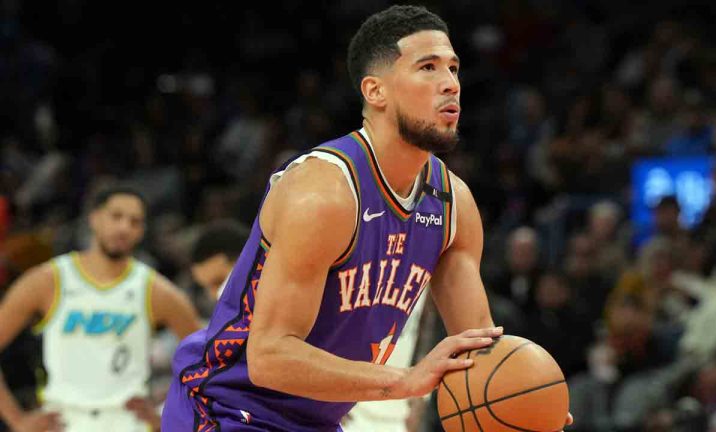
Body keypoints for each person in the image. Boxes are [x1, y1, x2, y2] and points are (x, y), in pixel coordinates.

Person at [161, 5, 572, 431]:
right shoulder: (324, 192)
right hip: (228, 407)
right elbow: (269, 356)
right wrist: (406, 380)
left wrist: (525, 401)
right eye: (428, 68)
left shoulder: (453, 204)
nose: (450, 84)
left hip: (319, 419)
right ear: (375, 91)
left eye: (453, 68)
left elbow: (478, 349)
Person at [0, 183, 201, 432]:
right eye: (116, 216)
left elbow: (208, 362)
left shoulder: (156, 291)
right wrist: (17, 421)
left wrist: (166, 416)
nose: (124, 227)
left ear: (141, 231)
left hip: (128, 421)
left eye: (134, 221)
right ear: (94, 219)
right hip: (62, 420)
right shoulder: (47, 281)